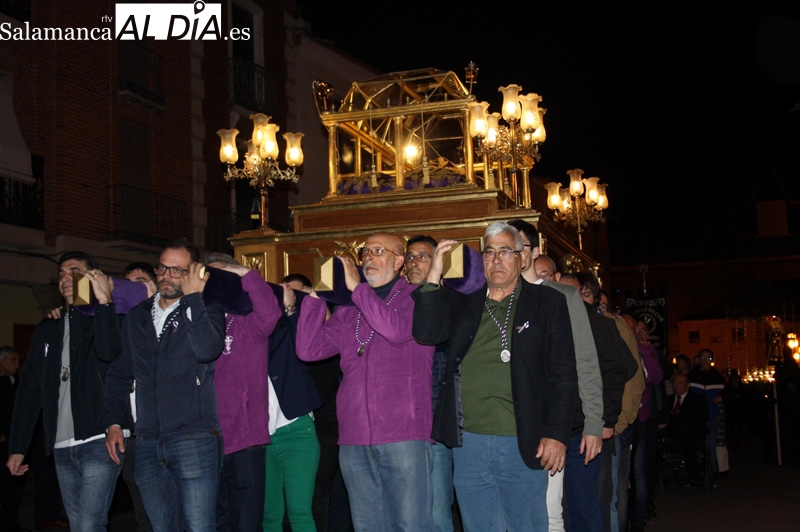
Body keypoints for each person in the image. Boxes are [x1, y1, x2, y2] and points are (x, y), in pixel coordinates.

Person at [412, 222, 577, 532]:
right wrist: (434, 272)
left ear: (521, 258)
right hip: (469, 442)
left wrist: (556, 434)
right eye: (489, 253)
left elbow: (565, 374)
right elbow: (425, 332)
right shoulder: (465, 303)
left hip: (523, 438)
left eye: (505, 252)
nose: (497, 260)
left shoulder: (547, 303)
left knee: (527, 525)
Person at [296, 232, 435, 532]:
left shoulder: (419, 297)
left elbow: (397, 332)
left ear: (399, 261)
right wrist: (318, 296)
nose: (368, 257)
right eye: (365, 252)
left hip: (404, 434)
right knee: (367, 526)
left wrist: (357, 289)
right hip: (355, 436)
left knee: (410, 526)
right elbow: (309, 349)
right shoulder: (349, 310)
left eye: (378, 251)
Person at [105, 238, 226, 531]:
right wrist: (114, 423)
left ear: (193, 273)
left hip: (194, 438)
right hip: (147, 441)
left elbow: (207, 350)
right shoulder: (138, 316)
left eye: (176, 270)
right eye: (162, 268)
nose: (166, 276)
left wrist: (193, 299)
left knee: (199, 527)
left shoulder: (208, 308)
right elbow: (119, 374)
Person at [8, 251, 125, 531]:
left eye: (73, 270)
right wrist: (17, 447)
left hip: (99, 439)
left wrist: (102, 302)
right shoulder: (48, 328)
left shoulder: (108, 318)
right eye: (61, 273)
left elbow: (110, 353)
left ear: (92, 276)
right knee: (79, 525)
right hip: (61, 445)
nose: (64, 277)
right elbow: (30, 391)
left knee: (88, 525)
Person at [509, 220, 603, 532]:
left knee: (549, 513)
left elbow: (585, 361)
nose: (512, 253)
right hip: (507, 422)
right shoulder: (498, 295)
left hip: (549, 421)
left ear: (534, 252)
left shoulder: (563, 296)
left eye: (519, 246)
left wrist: (593, 424)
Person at [202, 252, 282, 532]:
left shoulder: (248, 322)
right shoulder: (197, 320)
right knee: (212, 519)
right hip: (204, 437)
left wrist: (243, 272)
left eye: (221, 276)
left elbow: (272, 312)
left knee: (246, 521)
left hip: (245, 438)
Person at [557, 270, 630, 532]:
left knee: (585, 502)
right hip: (556, 428)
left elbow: (619, 369)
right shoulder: (548, 316)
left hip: (583, 428)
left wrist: (605, 420)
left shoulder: (594, 321)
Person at [262, 275, 322, 532]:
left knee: (299, 512)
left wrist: (291, 309)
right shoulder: (249, 332)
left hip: (296, 430)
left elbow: (305, 345)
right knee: (269, 515)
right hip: (260, 436)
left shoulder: (286, 330)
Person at [405, 234, 455, 532]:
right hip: (399, 425)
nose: (413, 262)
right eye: (410, 256)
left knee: (437, 515)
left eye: (422, 256)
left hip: (433, 424)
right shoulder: (395, 300)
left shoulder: (449, 301)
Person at [118, 262, 157, 532]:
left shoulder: (166, 317)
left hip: (162, 430)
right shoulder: (120, 323)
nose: (134, 289)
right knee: (143, 512)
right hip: (130, 433)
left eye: (140, 282)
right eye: (128, 284)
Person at [621, 314, 663, 532]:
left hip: (642, 416)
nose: (637, 333)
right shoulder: (625, 346)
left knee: (639, 467)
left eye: (640, 330)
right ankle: (632, 515)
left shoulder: (644, 350)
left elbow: (655, 377)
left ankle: (640, 512)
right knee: (629, 469)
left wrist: (647, 351)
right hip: (625, 417)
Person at [658, 373, 708, 483]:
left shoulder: (697, 399)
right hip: (672, 432)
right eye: (674, 383)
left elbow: (700, 420)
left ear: (687, 385)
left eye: (680, 383)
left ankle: (693, 474)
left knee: (688, 439)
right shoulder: (668, 400)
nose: (676, 386)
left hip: (690, 433)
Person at [0, 346, 26, 532]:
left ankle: (10, 521)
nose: (17, 365)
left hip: (15, 440)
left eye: (18, 361)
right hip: (1, 440)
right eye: (12, 360)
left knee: (14, 486)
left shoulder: (19, 382)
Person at [688, 348, 726, 476]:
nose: (705, 361)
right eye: (702, 357)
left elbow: (728, 391)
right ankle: (696, 471)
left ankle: (711, 472)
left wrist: (721, 397)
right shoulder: (692, 376)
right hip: (695, 418)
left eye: (708, 358)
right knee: (696, 444)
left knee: (711, 445)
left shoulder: (717, 377)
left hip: (711, 416)